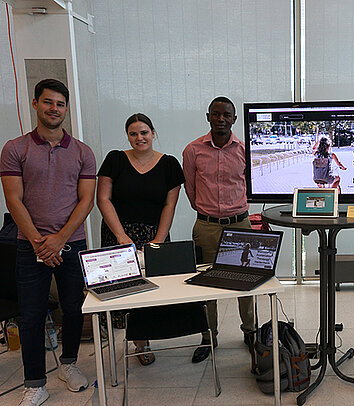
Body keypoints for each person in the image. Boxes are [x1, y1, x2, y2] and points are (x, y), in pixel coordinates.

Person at [0, 79, 96, 406]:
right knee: (31, 315)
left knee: (73, 309)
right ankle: (35, 383)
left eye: (60, 104)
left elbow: (86, 201)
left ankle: (68, 365)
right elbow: (14, 200)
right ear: (35, 104)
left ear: (66, 109)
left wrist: (59, 240)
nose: (54, 109)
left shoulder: (82, 151)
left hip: (71, 244)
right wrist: (41, 242)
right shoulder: (15, 148)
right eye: (48, 102)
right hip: (30, 247)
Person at [96, 113, 185, 365]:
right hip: (118, 235)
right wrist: (121, 236)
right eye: (133, 133)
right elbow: (103, 199)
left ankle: (147, 335)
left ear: (153, 133)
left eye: (144, 132)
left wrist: (158, 240)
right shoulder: (115, 159)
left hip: (154, 235)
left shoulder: (169, 164)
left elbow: (170, 205)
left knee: (153, 293)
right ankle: (139, 342)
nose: (139, 138)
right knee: (125, 294)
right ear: (128, 136)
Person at [183, 96, 254, 363]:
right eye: (216, 114)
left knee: (246, 282)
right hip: (207, 227)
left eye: (226, 115)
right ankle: (208, 336)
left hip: (240, 224)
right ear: (208, 117)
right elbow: (190, 189)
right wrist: (208, 211)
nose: (221, 119)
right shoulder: (193, 151)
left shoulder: (244, 150)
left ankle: (250, 331)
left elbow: (249, 185)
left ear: (234, 119)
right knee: (205, 284)